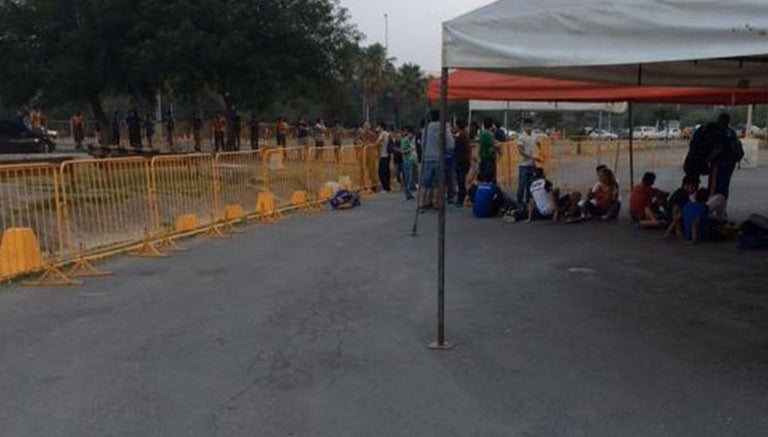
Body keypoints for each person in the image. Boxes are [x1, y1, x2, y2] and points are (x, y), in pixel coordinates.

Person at [420, 110, 455, 212]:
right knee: (438, 183)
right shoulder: (444, 128)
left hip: (427, 158)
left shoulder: (426, 129)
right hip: (439, 159)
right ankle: (436, 204)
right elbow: (450, 144)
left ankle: (423, 204)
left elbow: (422, 144)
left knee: (425, 183)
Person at [707, 113, 742, 216]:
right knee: (724, 187)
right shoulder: (731, 132)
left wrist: (707, 159)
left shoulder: (720, 133)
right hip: (730, 164)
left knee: (714, 187)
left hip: (719, 164)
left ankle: (712, 209)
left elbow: (718, 149)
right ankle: (722, 210)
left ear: (720, 120)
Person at [517, 118, 540, 204]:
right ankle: (519, 201)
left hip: (532, 164)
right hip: (524, 164)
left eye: (531, 125)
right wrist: (531, 157)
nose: (529, 127)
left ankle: (528, 202)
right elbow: (520, 150)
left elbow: (538, 145)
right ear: (524, 126)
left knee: (530, 185)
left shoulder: (534, 136)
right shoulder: (522, 136)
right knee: (522, 184)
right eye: (528, 126)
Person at [454, 119, 471, 207]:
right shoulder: (465, 135)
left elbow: (457, 149)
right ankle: (463, 198)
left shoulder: (461, 136)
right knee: (462, 180)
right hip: (464, 161)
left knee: (461, 181)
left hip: (461, 162)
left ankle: (461, 199)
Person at [397, 128, 417, 200]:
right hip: (407, 161)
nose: (412, 135)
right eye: (411, 134)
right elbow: (402, 151)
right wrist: (409, 150)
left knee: (411, 177)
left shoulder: (412, 140)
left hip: (412, 160)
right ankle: (408, 193)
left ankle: (410, 192)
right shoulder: (405, 141)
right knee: (408, 177)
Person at [375, 122, 391, 192]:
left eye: (378, 127)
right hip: (387, 155)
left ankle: (385, 187)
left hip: (383, 155)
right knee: (386, 172)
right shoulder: (387, 134)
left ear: (381, 127)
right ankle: (387, 187)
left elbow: (377, 143)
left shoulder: (383, 134)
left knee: (381, 172)